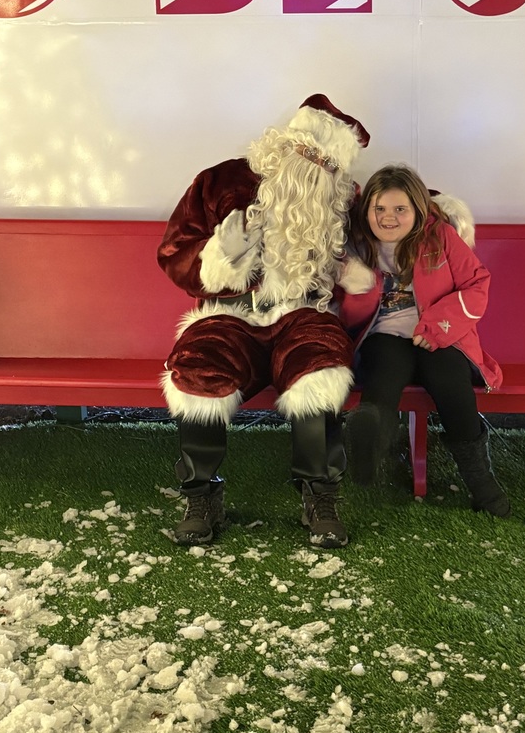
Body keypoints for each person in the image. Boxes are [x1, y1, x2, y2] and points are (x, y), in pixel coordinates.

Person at [157, 94, 370, 549]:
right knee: (199, 362)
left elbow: (396, 214)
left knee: (320, 363)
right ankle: (200, 496)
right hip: (232, 313)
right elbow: (174, 254)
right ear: (285, 145)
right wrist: (222, 254)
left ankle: (320, 496)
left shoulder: (341, 199)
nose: (310, 170)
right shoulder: (221, 181)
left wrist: (440, 211)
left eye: (323, 165)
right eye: (305, 156)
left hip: (304, 312)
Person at [336, 163, 510, 517]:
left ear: (417, 210)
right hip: (382, 334)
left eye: (400, 209)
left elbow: (477, 285)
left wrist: (439, 326)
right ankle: (369, 440)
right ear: (366, 208)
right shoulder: (354, 244)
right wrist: (353, 288)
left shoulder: (440, 237)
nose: (388, 218)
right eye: (379, 208)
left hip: (440, 335)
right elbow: (340, 304)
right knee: (384, 369)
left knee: (449, 378)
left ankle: (481, 481)